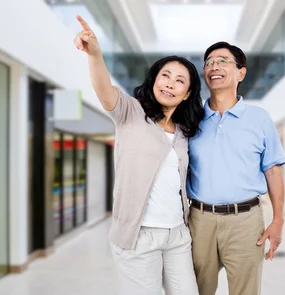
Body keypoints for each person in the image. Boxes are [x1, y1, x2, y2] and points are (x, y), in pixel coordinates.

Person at [73, 15, 203, 295]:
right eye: (165, 75)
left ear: (186, 93)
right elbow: (104, 90)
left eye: (179, 81)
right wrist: (95, 55)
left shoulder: (184, 130)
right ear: (154, 79)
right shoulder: (130, 112)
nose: (169, 84)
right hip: (138, 235)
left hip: (178, 234)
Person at [187, 41, 285, 295]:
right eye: (208, 62)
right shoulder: (191, 118)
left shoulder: (259, 118)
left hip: (246, 221)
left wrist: (277, 220)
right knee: (196, 290)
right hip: (199, 220)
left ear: (241, 72)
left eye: (222, 61)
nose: (213, 67)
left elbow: (273, 171)